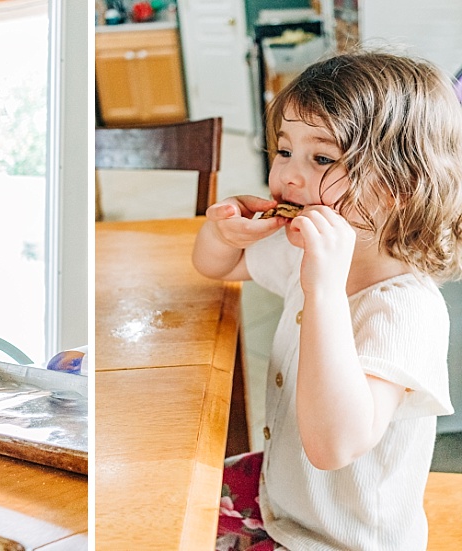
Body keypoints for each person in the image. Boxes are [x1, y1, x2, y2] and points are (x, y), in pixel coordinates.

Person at [193, 51, 462, 550]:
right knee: (169, 499)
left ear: (400, 185)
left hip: (340, 539)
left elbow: (333, 445)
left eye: (321, 158)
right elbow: (218, 267)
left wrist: (323, 289)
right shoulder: (306, 252)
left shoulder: (406, 312)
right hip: (285, 500)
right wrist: (226, 233)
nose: (289, 177)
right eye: (283, 151)